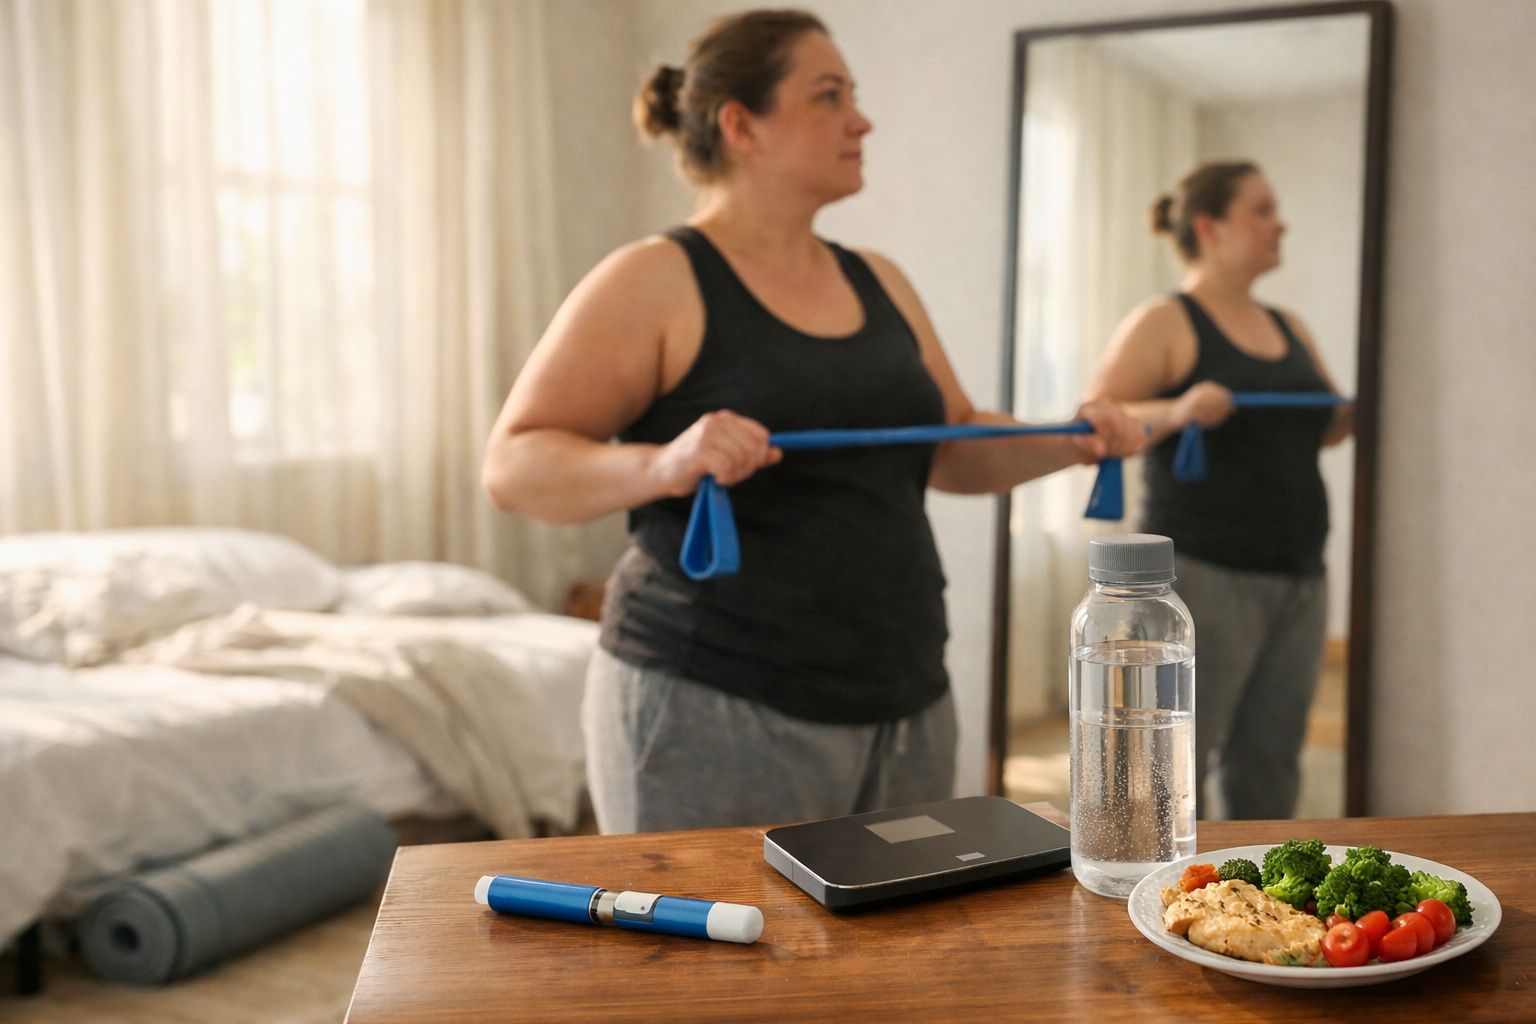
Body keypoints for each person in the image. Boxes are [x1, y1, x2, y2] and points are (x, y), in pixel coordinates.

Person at [482, 9, 1146, 834]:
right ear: (741, 125)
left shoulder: (880, 281)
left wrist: (1068, 440)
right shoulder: (654, 280)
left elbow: (953, 444)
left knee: (889, 958)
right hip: (713, 703)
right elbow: (513, 466)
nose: (860, 120)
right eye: (828, 96)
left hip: (906, 698)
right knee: (727, 963)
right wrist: (664, 464)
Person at [1084, 160, 1355, 820]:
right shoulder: (1166, 319)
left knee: (1269, 761)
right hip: (1204, 577)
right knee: (1176, 759)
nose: (1278, 222)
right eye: (1262, 209)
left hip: (1299, 574)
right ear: (1210, 226)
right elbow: (1099, 422)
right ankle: (1162, 898)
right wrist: (1178, 410)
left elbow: (1320, 431)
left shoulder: (1289, 325)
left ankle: (1252, 906)